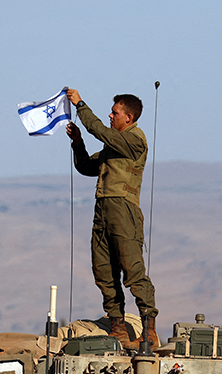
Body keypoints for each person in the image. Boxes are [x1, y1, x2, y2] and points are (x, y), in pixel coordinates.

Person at [65, 88, 159, 350]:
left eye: (114, 112)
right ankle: (117, 328)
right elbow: (87, 167)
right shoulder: (113, 146)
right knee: (104, 271)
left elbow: (100, 131)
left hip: (123, 211)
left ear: (128, 117)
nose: (110, 115)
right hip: (103, 211)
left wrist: (80, 105)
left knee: (133, 271)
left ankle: (149, 331)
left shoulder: (134, 141)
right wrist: (78, 143)